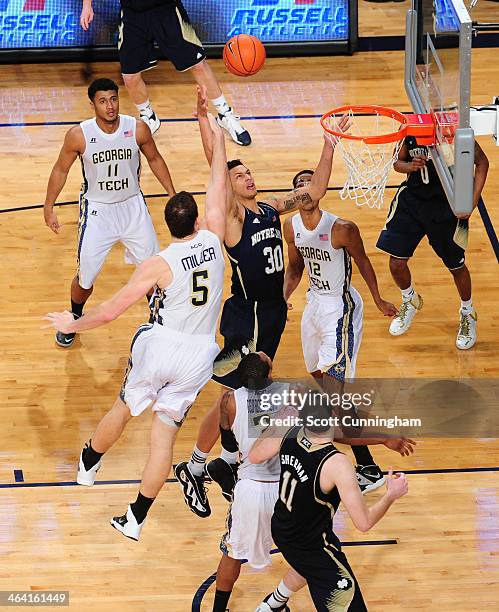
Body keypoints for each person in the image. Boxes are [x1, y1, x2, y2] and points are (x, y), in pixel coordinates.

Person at [44, 111, 227, 541]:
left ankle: (89, 463)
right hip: (201, 354)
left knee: (124, 408)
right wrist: (216, 136)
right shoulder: (214, 240)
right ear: (198, 222)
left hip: (161, 345)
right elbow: (217, 183)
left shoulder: (158, 264)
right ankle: (136, 519)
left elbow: (109, 311)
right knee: (162, 441)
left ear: (169, 226)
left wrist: (74, 320)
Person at [174, 95, 350, 517]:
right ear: (230, 188)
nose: (248, 177)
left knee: (245, 397)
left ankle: (223, 462)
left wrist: (330, 142)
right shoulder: (233, 218)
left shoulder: (272, 210)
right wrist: (206, 123)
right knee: (234, 397)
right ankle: (199, 466)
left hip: (272, 313)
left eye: (249, 171)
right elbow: (215, 171)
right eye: (240, 175)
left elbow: (314, 191)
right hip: (247, 314)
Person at [213, 351, 415, 612]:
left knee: (232, 554)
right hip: (295, 487)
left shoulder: (230, 400)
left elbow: (241, 448)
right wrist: (382, 438)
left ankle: (228, 608)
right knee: (313, 551)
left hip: (253, 486)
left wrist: (228, 462)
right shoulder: (294, 394)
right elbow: (339, 434)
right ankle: (274, 602)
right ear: (270, 373)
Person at [283, 168, 397, 493]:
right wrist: (281, 300)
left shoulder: (341, 228)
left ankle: (366, 466)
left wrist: (377, 299)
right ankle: (362, 460)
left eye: (309, 182)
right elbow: (294, 267)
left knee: (335, 391)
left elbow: (363, 262)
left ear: (318, 190)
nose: (304, 187)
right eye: (298, 184)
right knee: (320, 379)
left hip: (341, 308)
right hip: (314, 305)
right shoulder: (290, 227)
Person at [44, 78, 176, 348]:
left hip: (132, 207)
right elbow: (60, 169)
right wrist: (49, 206)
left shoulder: (136, 128)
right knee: (86, 278)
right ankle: (75, 316)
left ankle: (160, 321)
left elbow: (155, 158)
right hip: (98, 212)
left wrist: (171, 193)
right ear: (92, 104)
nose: (110, 106)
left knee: (155, 270)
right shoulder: (79, 134)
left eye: (113, 99)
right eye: (103, 101)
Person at [249, 402, 409, 611]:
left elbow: (254, 455)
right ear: (333, 416)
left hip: (282, 527)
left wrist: (277, 424)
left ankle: (272, 605)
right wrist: (390, 495)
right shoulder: (337, 464)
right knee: (339, 590)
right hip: (310, 544)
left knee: (306, 566)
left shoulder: (290, 431)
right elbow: (364, 522)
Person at [80, 0, 251, 145]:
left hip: (166, 10)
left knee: (198, 64)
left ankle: (225, 114)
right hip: (133, 14)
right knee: (130, 76)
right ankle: (149, 117)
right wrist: (87, 5)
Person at [376, 136, 489, 349]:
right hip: (412, 202)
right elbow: (396, 162)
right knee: (396, 263)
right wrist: (410, 165)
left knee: (456, 266)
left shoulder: (457, 132)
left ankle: (468, 312)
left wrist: (472, 201)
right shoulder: (410, 129)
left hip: (448, 206)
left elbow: (482, 162)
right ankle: (410, 299)